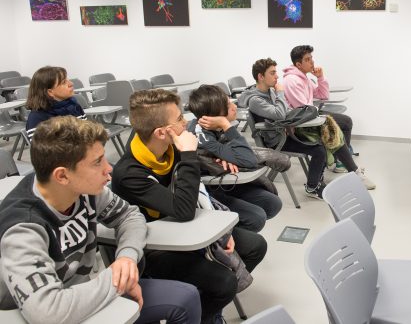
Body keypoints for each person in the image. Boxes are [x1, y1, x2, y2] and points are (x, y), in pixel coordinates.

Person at [0, 116, 201, 324]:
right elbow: (47, 312)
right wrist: (117, 280)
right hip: (48, 314)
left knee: (185, 298)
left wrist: (126, 258)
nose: (109, 168)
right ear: (62, 176)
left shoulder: (84, 189)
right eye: (97, 162)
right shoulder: (23, 228)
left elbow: (129, 216)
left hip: (86, 296)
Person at [111, 89, 267, 324]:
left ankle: (207, 308)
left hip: (187, 230)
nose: (186, 122)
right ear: (162, 132)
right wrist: (189, 154)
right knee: (225, 283)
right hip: (157, 248)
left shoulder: (169, 147)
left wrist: (217, 160)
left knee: (256, 246)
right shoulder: (129, 173)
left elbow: (197, 186)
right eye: (179, 119)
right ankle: (202, 316)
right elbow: (183, 210)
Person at [240, 58, 375, 200]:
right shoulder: (255, 100)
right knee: (319, 149)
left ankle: (335, 177)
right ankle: (313, 187)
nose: (277, 76)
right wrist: (280, 94)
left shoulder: (270, 92)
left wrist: (282, 106)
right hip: (278, 140)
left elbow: (285, 111)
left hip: (288, 131)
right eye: (272, 73)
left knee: (328, 134)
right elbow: (280, 114)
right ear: (261, 76)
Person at [187, 84, 282, 232]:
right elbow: (248, 160)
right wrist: (226, 125)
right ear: (215, 115)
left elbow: (237, 153)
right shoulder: (203, 136)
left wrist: (223, 154)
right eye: (228, 104)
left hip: (222, 183)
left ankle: (236, 232)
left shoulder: (211, 128)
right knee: (256, 218)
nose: (234, 106)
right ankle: (226, 237)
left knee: (273, 203)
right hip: (208, 192)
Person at [283, 44, 357, 173]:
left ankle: (340, 161)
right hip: (302, 121)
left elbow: (323, 95)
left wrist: (320, 78)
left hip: (311, 114)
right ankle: (345, 163)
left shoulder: (304, 78)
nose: (312, 62)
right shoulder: (292, 80)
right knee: (336, 127)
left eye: (311, 58)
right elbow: (302, 109)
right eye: (307, 59)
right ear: (298, 64)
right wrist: (320, 116)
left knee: (346, 122)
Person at [25, 66, 86, 140]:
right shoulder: (37, 118)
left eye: (68, 80)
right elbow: (41, 149)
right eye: (64, 82)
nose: (71, 83)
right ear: (50, 92)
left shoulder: (74, 106)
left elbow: (86, 134)